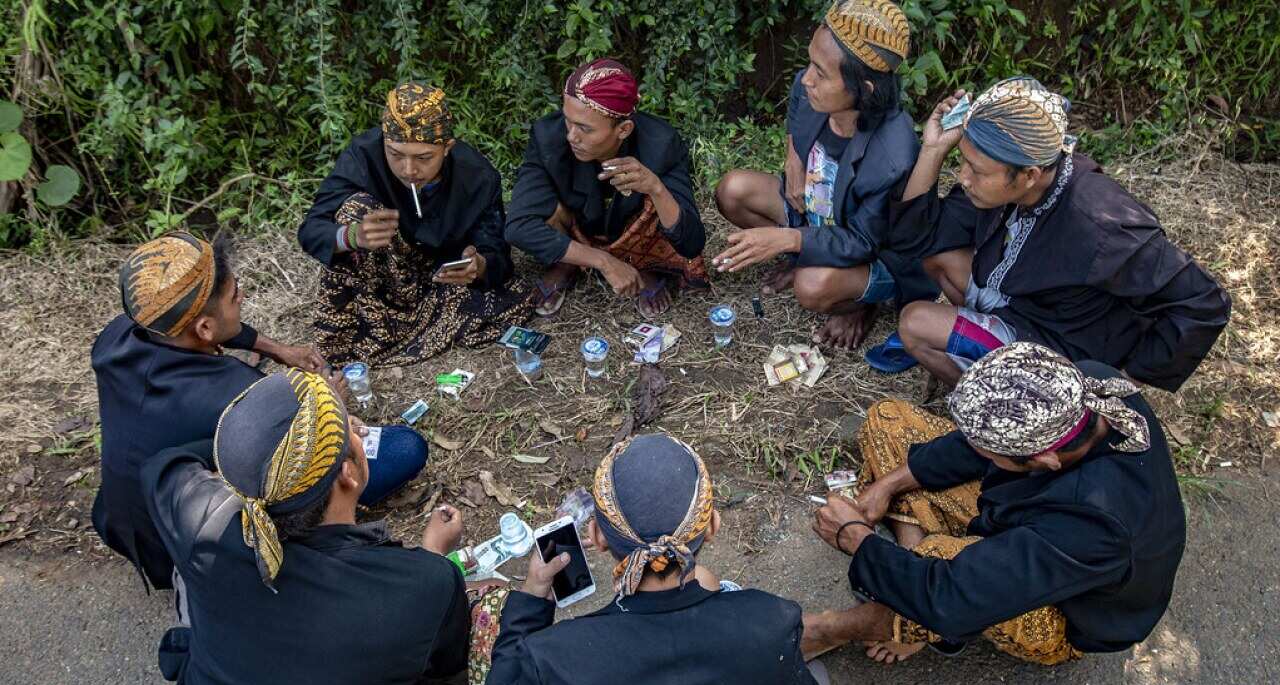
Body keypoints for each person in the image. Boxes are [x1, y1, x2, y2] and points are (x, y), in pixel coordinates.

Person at [803, 342, 1186, 667]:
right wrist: (888, 485)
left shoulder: (1095, 524)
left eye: (991, 451)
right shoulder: (1085, 386)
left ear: (1044, 460)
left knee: (937, 569)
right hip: (1022, 519)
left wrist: (854, 537)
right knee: (888, 421)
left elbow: (953, 597)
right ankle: (913, 584)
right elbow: (971, 447)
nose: (976, 449)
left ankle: (827, 631)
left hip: (1065, 610)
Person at [91, 231, 428, 593]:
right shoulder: (235, 392)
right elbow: (313, 435)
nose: (243, 297)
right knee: (404, 448)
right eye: (235, 295)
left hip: (123, 523)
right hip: (191, 549)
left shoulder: (120, 336)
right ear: (205, 328)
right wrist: (329, 400)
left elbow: (208, 330)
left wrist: (275, 348)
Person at [478, 434, 890, 685]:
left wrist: (532, 600)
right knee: (714, 587)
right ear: (711, 525)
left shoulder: (554, 658)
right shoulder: (766, 624)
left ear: (596, 537)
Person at [143, 370, 480, 685]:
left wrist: (247, 458)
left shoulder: (200, 523)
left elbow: (162, 464)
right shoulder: (421, 584)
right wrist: (433, 553)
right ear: (347, 472)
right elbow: (445, 664)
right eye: (349, 431)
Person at [889, 76, 1230, 388]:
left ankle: (1008, 410)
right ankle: (992, 373)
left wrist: (1124, 383)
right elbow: (915, 238)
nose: (963, 178)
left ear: (1029, 175)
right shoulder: (1007, 183)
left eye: (976, 170)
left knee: (916, 324)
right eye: (962, 162)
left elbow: (1203, 302)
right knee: (938, 256)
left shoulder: (1099, 223)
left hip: (1063, 344)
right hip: (1021, 306)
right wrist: (933, 150)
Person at [713, 0, 929, 355]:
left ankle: (861, 301)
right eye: (810, 63)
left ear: (865, 89)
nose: (807, 78)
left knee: (811, 287)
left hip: (869, 249)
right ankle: (807, 255)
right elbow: (799, 95)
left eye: (821, 72)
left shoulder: (893, 157)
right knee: (733, 190)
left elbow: (862, 240)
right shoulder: (812, 84)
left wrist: (788, 240)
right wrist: (793, 158)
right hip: (816, 210)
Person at [298, 81, 531, 366]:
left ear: (447, 148)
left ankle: (401, 326)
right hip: (382, 282)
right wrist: (351, 236)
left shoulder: (477, 177)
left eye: (423, 157)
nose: (408, 170)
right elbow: (311, 230)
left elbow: (497, 253)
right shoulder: (363, 158)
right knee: (356, 209)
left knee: (517, 297)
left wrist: (478, 265)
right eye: (395, 155)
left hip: (441, 283)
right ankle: (365, 332)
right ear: (384, 141)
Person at [505, 58, 708, 319]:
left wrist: (656, 188)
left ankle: (643, 265)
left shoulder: (660, 144)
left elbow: (691, 242)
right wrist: (604, 262)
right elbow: (518, 227)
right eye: (568, 121)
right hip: (577, 226)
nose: (571, 136)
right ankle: (569, 261)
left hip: (633, 232)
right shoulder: (549, 137)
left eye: (585, 129)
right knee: (543, 206)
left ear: (623, 129)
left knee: (663, 203)